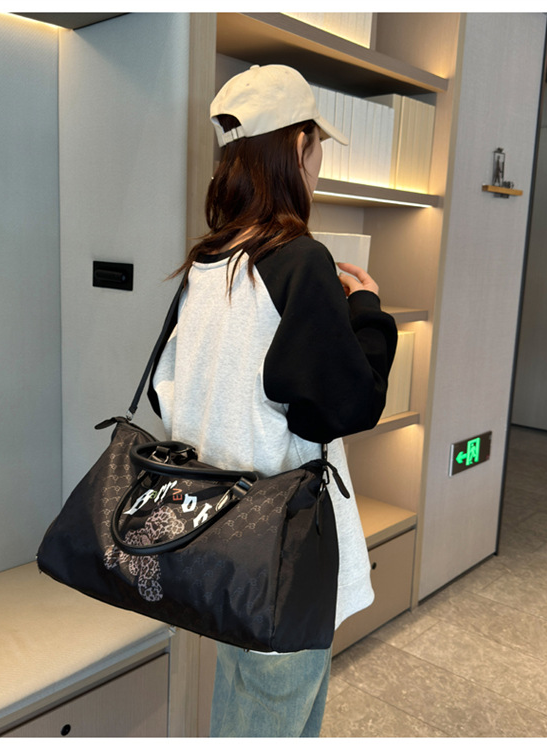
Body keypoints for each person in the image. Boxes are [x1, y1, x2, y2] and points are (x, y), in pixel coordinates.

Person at [148, 64, 398, 737]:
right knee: (274, 711)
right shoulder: (299, 259)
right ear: (297, 146)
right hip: (282, 549)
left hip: (216, 535)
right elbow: (341, 408)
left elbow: (167, 392)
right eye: (316, 146)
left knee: (249, 699)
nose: (317, 164)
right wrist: (368, 313)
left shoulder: (208, 261)